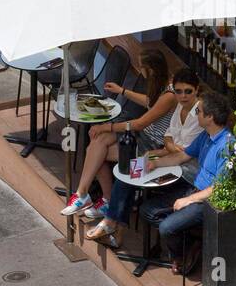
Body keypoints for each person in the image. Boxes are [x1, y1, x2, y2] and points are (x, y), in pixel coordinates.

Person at [88, 92, 234, 275]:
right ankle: (183, 236)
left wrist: (189, 200)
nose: (196, 113)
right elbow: (183, 155)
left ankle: (184, 249)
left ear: (210, 117)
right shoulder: (206, 135)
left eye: (199, 111)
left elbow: (220, 187)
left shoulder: (227, 146)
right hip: (192, 188)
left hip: (207, 200)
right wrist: (154, 163)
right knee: (146, 210)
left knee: (166, 227)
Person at [84, 68, 203, 245]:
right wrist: (167, 147)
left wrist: (160, 152)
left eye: (188, 92)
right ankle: (114, 225)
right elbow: (169, 136)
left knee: (134, 172)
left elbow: (183, 152)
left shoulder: (199, 114)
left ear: (197, 90)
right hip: (170, 161)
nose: (183, 96)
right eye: (178, 91)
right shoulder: (179, 106)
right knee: (130, 173)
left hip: (186, 174)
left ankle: (113, 225)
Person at [60, 48, 176, 219]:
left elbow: (140, 123)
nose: (139, 68)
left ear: (150, 70)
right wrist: (122, 90)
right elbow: (149, 102)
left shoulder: (170, 95)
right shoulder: (162, 85)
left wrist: (107, 126)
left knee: (97, 149)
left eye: (140, 66)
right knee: (97, 141)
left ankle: (100, 198)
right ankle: (84, 193)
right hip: (143, 135)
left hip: (150, 144)